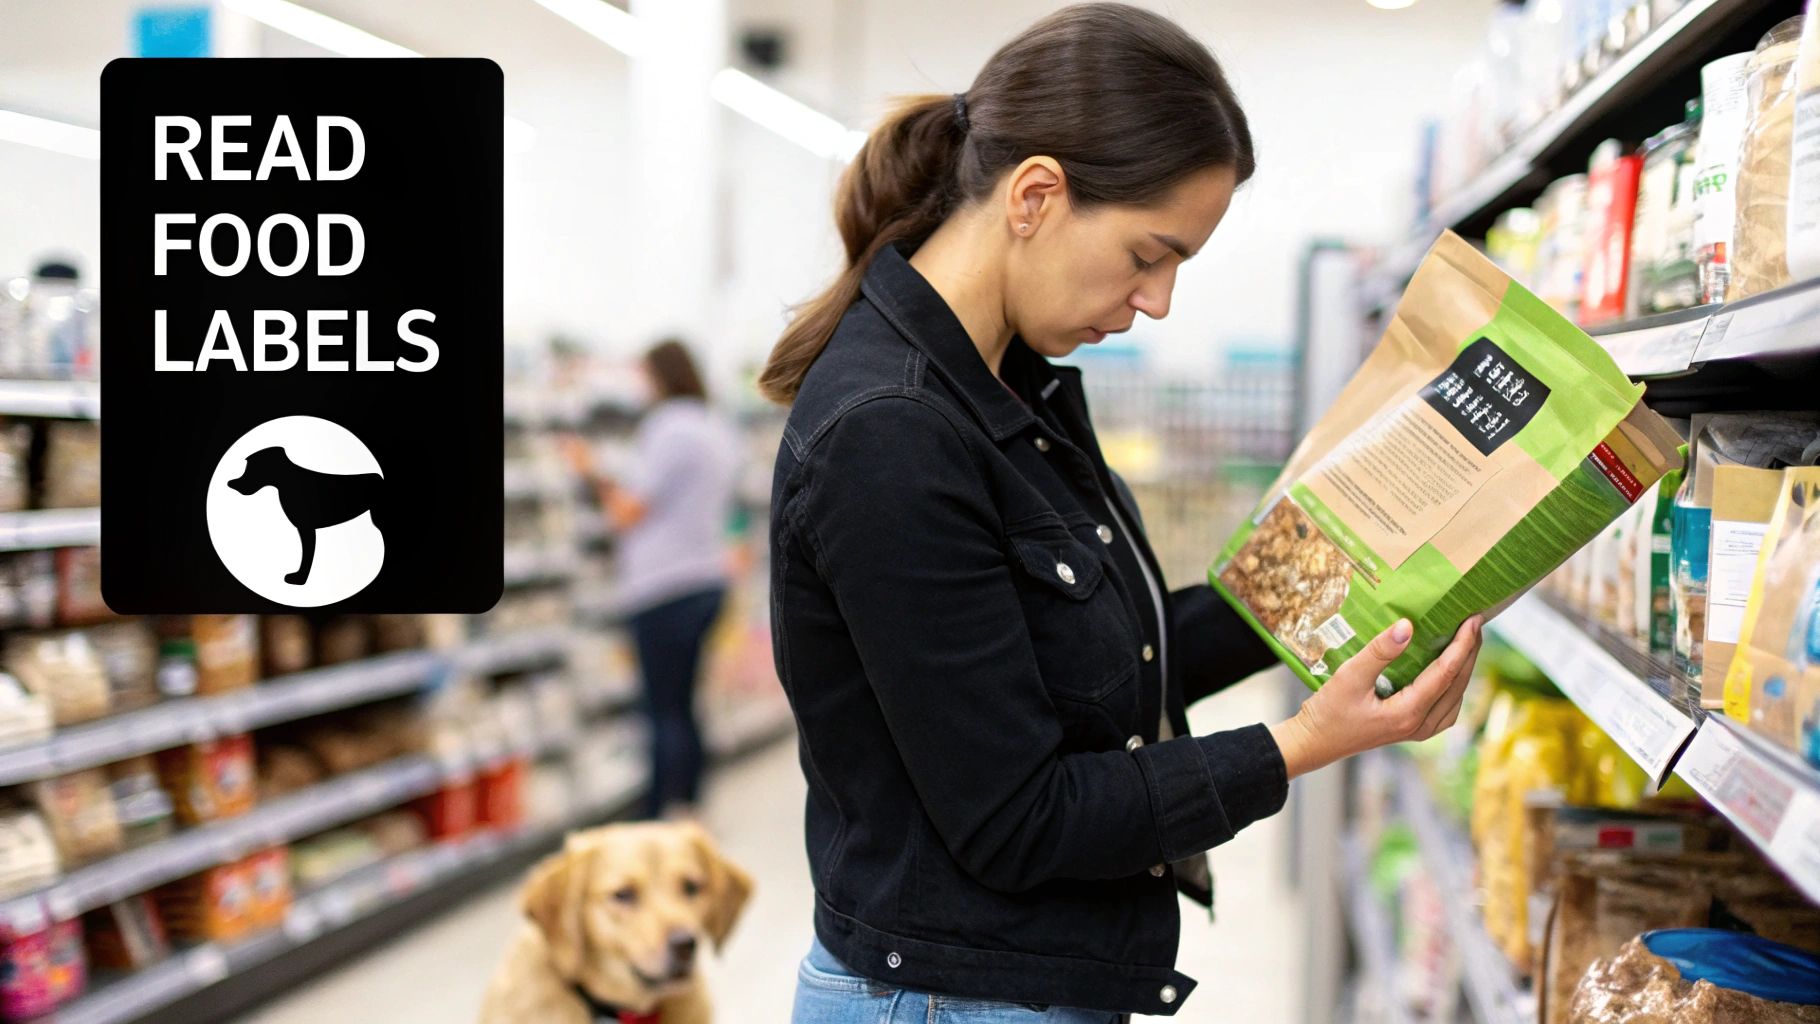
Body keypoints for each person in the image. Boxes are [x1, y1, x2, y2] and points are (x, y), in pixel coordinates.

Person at [759, 5, 1485, 1022]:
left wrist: (1336, 572)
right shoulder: (894, 434)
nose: (1159, 301)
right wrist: (1300, 743)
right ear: (1036, 195)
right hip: (946, 1001)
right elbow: (1019, 818)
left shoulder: (1012, 390)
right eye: (1150, 254)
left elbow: (1100, 672)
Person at [566, 338, 741, 821]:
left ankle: (659, 812)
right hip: (708, 576)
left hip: (665, 587)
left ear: (662, 376)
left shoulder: (667, 428)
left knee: (661, 707)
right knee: (686, 702)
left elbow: (627, 510)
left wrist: (591, 473)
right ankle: (692, 804)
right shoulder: (716, 426)